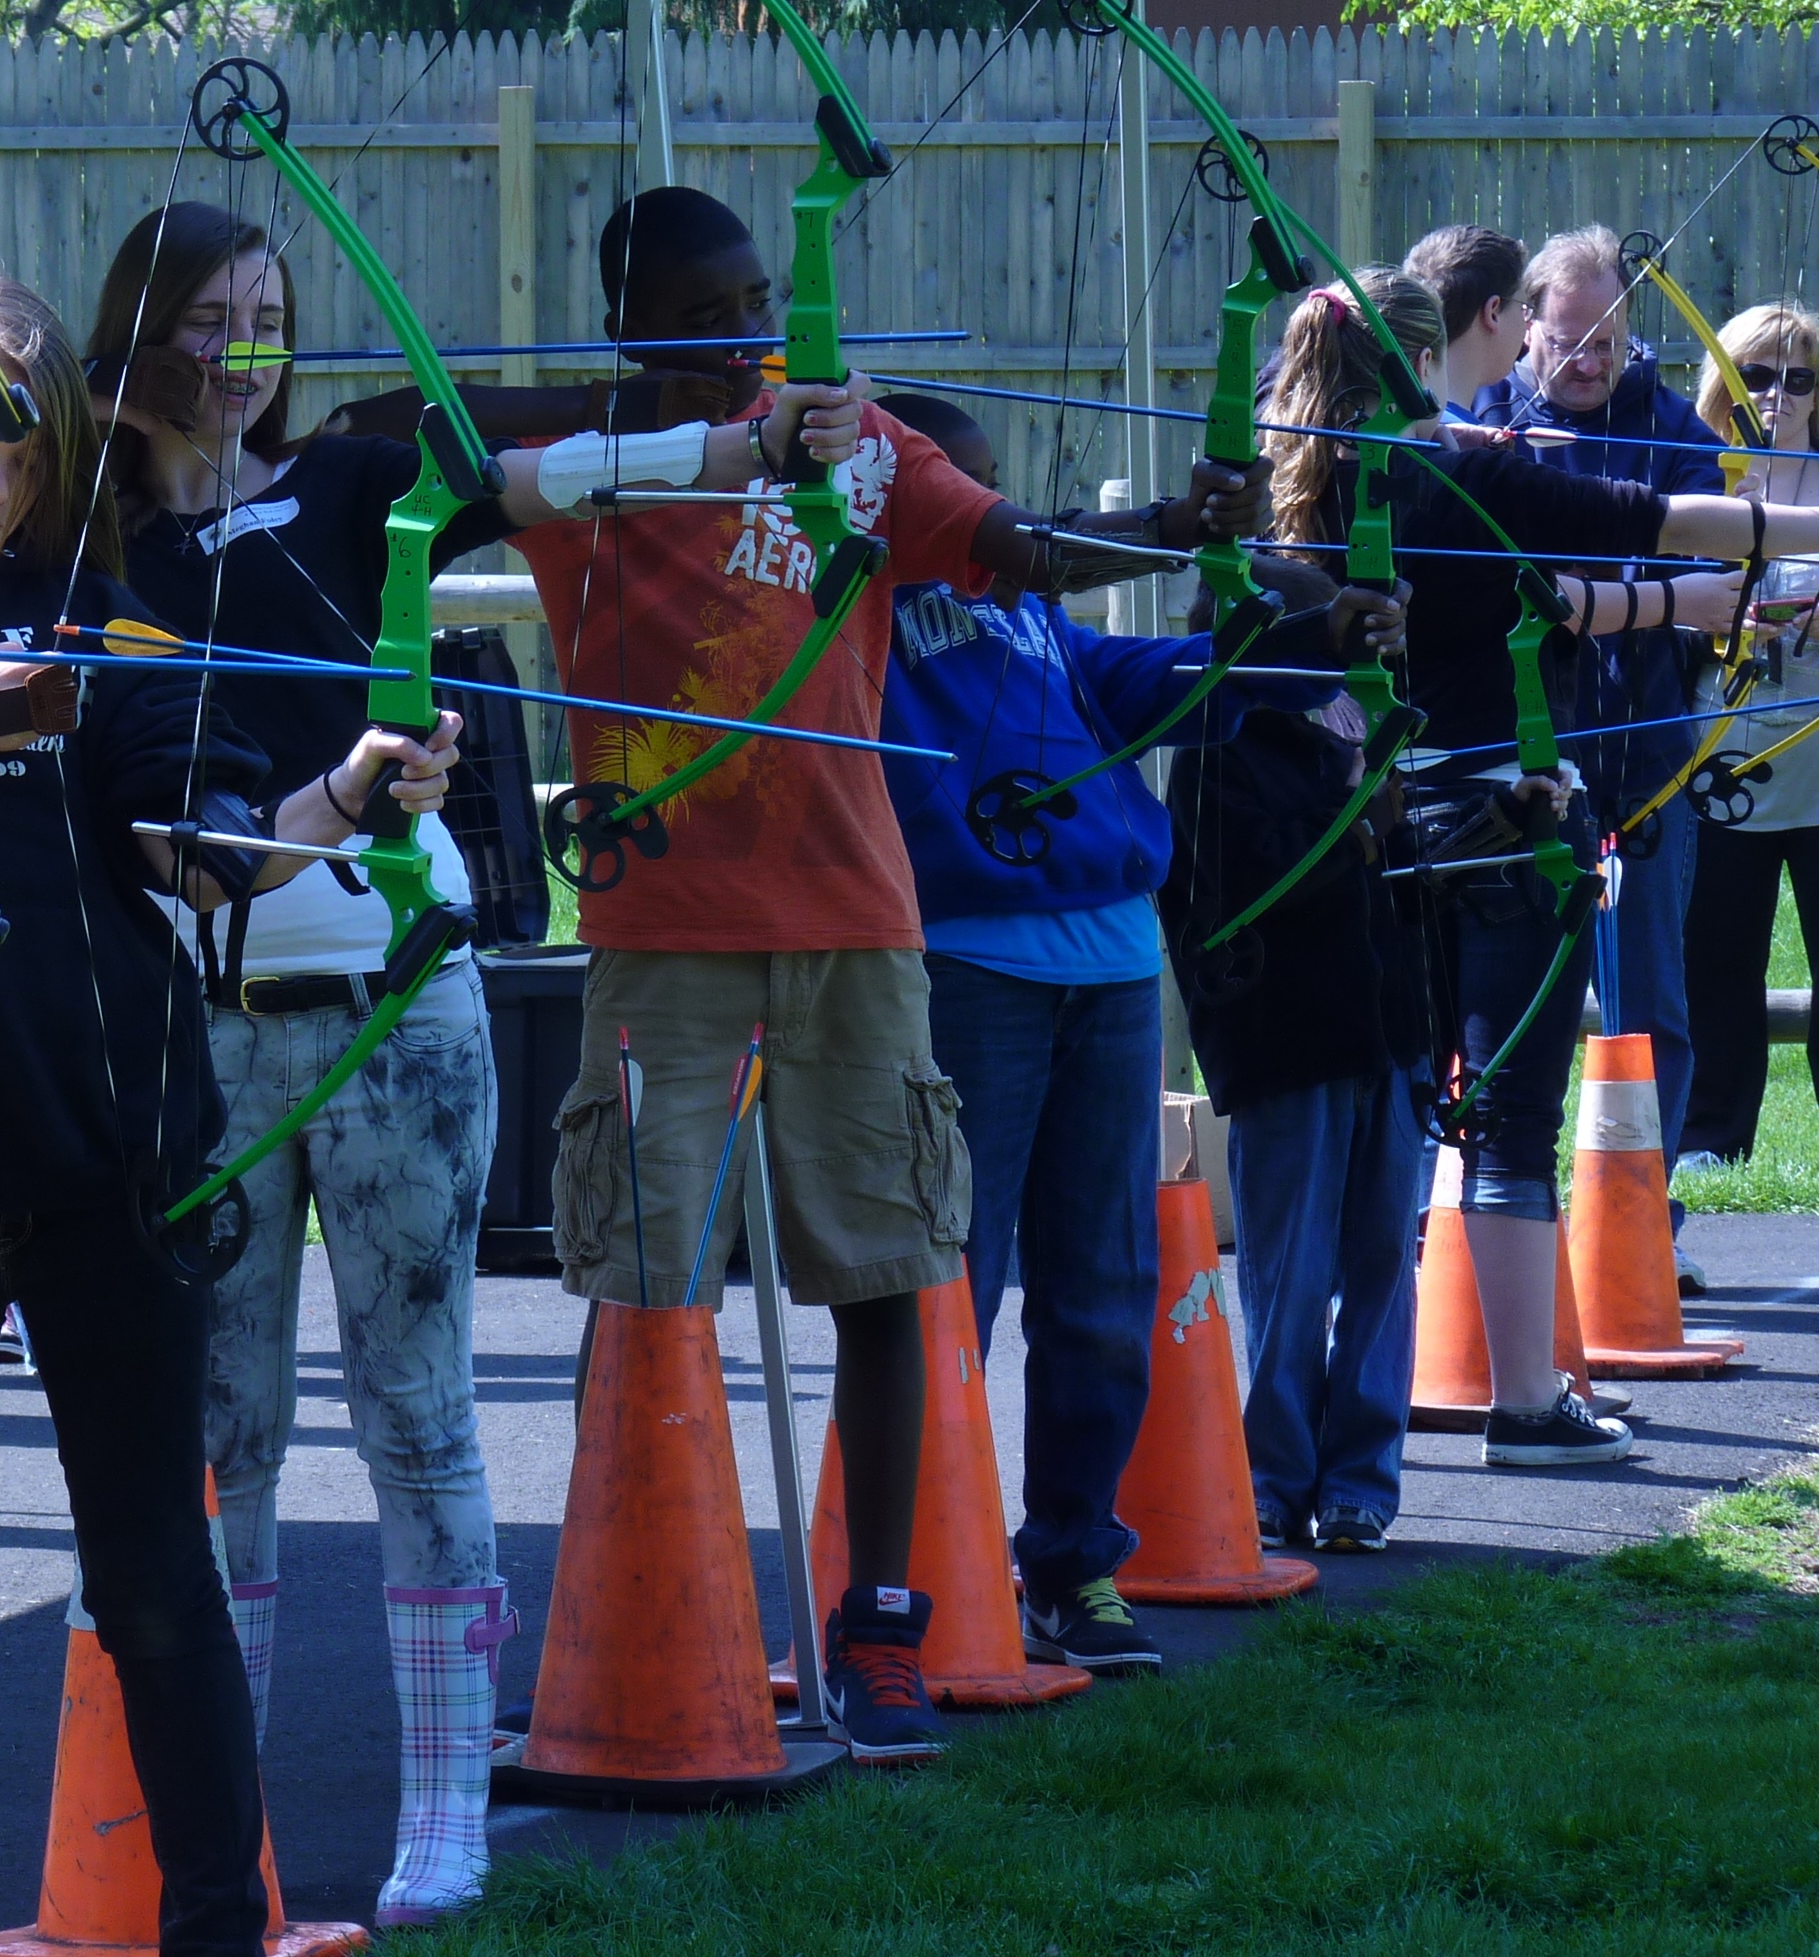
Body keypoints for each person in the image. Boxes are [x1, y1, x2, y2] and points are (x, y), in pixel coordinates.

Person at [84, 200, 862, 1915]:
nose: (241, 349)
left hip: (393, 999)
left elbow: (556, 474)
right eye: (205, 317)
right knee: (226, 1421)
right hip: (197, 1014)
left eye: (268, 315)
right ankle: (226, 1815)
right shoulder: (96, 555)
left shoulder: (359, 484)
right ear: (130, 334)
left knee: (416, 1409)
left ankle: (442, 1812)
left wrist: (742, 437)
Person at [0, 271, 463, 1957]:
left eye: (19, 449)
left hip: (104, 1172)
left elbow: (194, 851)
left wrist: (354, 785)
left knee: (154, 1577)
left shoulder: (98, 619)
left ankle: (215, 1931)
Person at [516, 183, 1277, 1764]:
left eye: (757, 304)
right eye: (702, 308)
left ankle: (879, 1628)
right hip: (663, 929)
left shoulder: (860, 438)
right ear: (625, 321)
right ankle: (641, 1616)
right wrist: (701, 454)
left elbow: (1013, 547)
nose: (740, 334)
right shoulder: (578, 469)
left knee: (883, 1270)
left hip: (855, 916)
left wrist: (1168, 532)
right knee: (642, 1283)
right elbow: (416, 452)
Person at [873, 393, 1404, 1655]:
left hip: (1113, 968)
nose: (1003, 523)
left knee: (1105, 1283)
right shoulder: (868, 622)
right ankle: (928, 1571)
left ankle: (1069, 1562)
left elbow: (1158, 683)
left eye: (1006, 494)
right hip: (974, 971)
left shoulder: (1038, 623)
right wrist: (1174, 531)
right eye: (973, 498)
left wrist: (1318, 632)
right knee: (962, 1277)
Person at [1265, 267, 1815, 1466]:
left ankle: (1333, 1429)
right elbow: (1655, 518)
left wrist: (1661, 605)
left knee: (1387, 1118)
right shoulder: (1461, 473)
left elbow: (1549, 592)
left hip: (1365, 838)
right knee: (1509, 1124)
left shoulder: (1299, 489)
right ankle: (1519, 1404)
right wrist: (1790, 532)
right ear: (1430, 358)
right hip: (1506, 832)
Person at [1472, 224, 1729, 1291]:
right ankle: (1483, 1222)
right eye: (1569, 338)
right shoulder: (1484, 427)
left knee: (1649, 1009)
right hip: (1514, 771)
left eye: (1610, 338)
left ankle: (1633, 1230)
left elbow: (1721, 542)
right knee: (1495, 1005)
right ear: (1525, 326)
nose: (1589, 360)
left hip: (1645, 762)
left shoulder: (1669, 427)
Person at [1162, 554, 1431, 1552]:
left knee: (1380, 1261)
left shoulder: (1366, 730)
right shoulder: (1221, 747)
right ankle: (1276, 1478)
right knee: (1290, 1266)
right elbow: (1240, 891)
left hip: (1389, 1036)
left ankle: (1363, 1479)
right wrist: (1352, 820)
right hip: (1288, 1041)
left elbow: (1414, 882)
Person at [1680, 304, 1819, 1171]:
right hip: (1715, 762)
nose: (1774, 396)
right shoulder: (1695, 471)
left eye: (1797, 378)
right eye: (1754, 376)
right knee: (1715, 964)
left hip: (1814, 768)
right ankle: (1708, 1141)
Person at [1401, 224, 1526, 422]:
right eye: (1523, 308)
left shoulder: (1401, 427)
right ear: (1493, 312)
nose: (1526, 325)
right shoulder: (1465, 448)